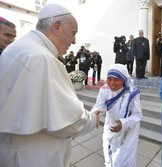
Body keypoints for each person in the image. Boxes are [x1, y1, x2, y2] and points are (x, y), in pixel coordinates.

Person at [0, 4, 99, 167]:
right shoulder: (42, 57)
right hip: (33, 157)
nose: (74, 40)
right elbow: (68, 120)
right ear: (57, 26)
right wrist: (92, 119)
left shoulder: (19, 48)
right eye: (73, 33)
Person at [91, 64, 143, 167]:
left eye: (116, 80)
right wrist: (95, 114)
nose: (112, 83)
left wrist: (123, 123)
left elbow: (137, 115)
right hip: (111, 125)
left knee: (125, 159)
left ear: (123, 80)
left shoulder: (132, 92)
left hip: (129, 129)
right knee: (109, 157)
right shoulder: (104, 89)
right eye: (109, 79)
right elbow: (99, 106)